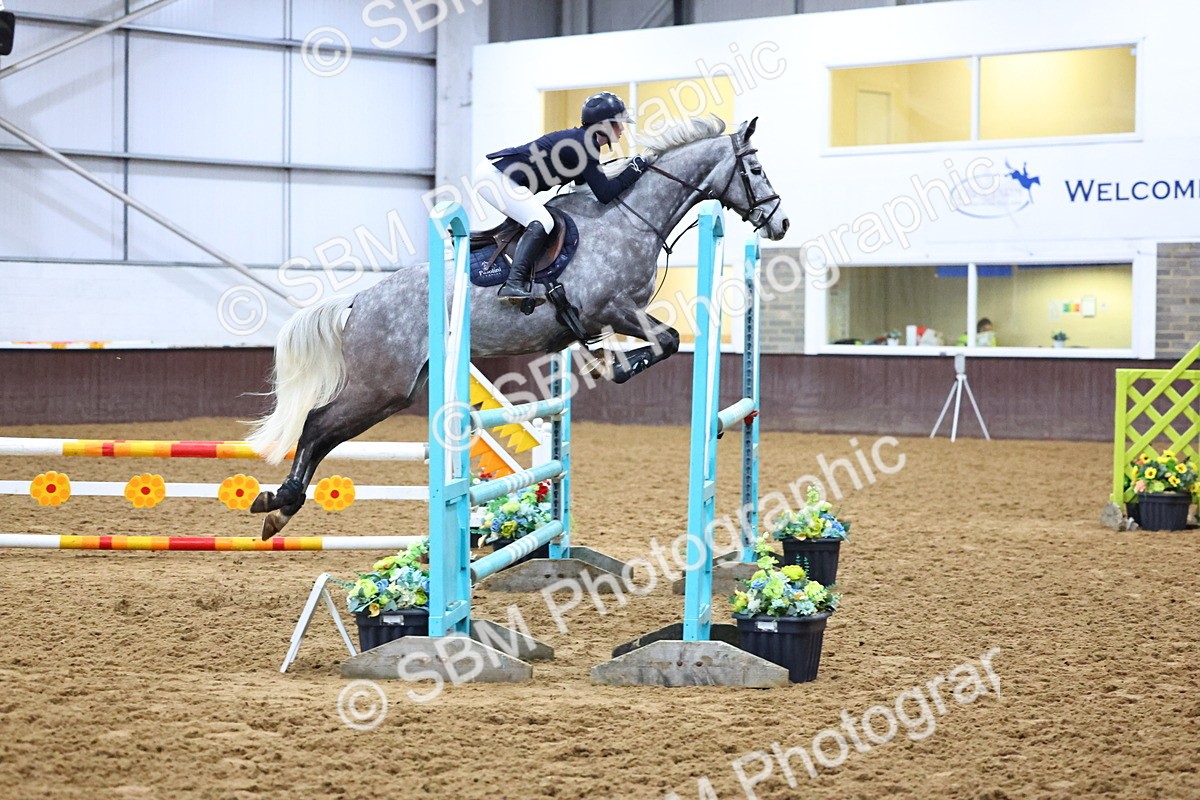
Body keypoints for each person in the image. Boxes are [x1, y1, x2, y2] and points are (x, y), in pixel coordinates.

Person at [473, 91, 650, 306]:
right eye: (618, 124)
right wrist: (636, 168)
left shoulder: (583, 142)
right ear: (603, 125)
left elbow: (586, 190)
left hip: (500, 176)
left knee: (538, 219)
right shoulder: (585, 144)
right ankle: (513, 283)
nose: (622, 129)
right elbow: (605, 194)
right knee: (542, 221)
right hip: (495, 177)